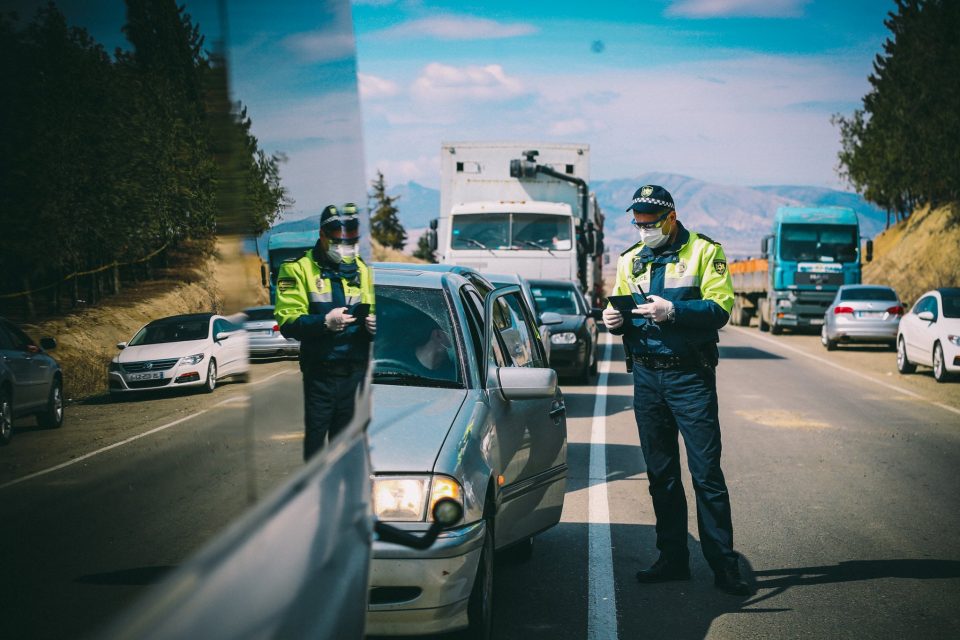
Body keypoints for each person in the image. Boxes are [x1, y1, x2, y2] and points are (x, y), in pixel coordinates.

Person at [602, 184, 749, 596]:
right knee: (661, 475)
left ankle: (724, 566)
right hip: (647, 378)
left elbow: (720, 310)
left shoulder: (704, 251)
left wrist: (675, 310)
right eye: (637, 222)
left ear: (670, 217)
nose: (642, 229)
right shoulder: (630, 259)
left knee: (706, 474)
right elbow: (626, 310)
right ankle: (672, 558)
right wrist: (616, 321)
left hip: (690, 378)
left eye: (649, 222)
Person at [274, 203, 376, 461]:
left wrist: (374, 325)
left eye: (350, 243)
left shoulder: (362, 270)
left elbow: (373, 309)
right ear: (322, 234)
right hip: (321, 375)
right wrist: (323, 323)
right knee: (318, 449)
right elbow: (288, 322)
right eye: (338, 241)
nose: (344, 249)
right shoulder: (297, 269)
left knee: (351, 448)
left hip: (356, 375)